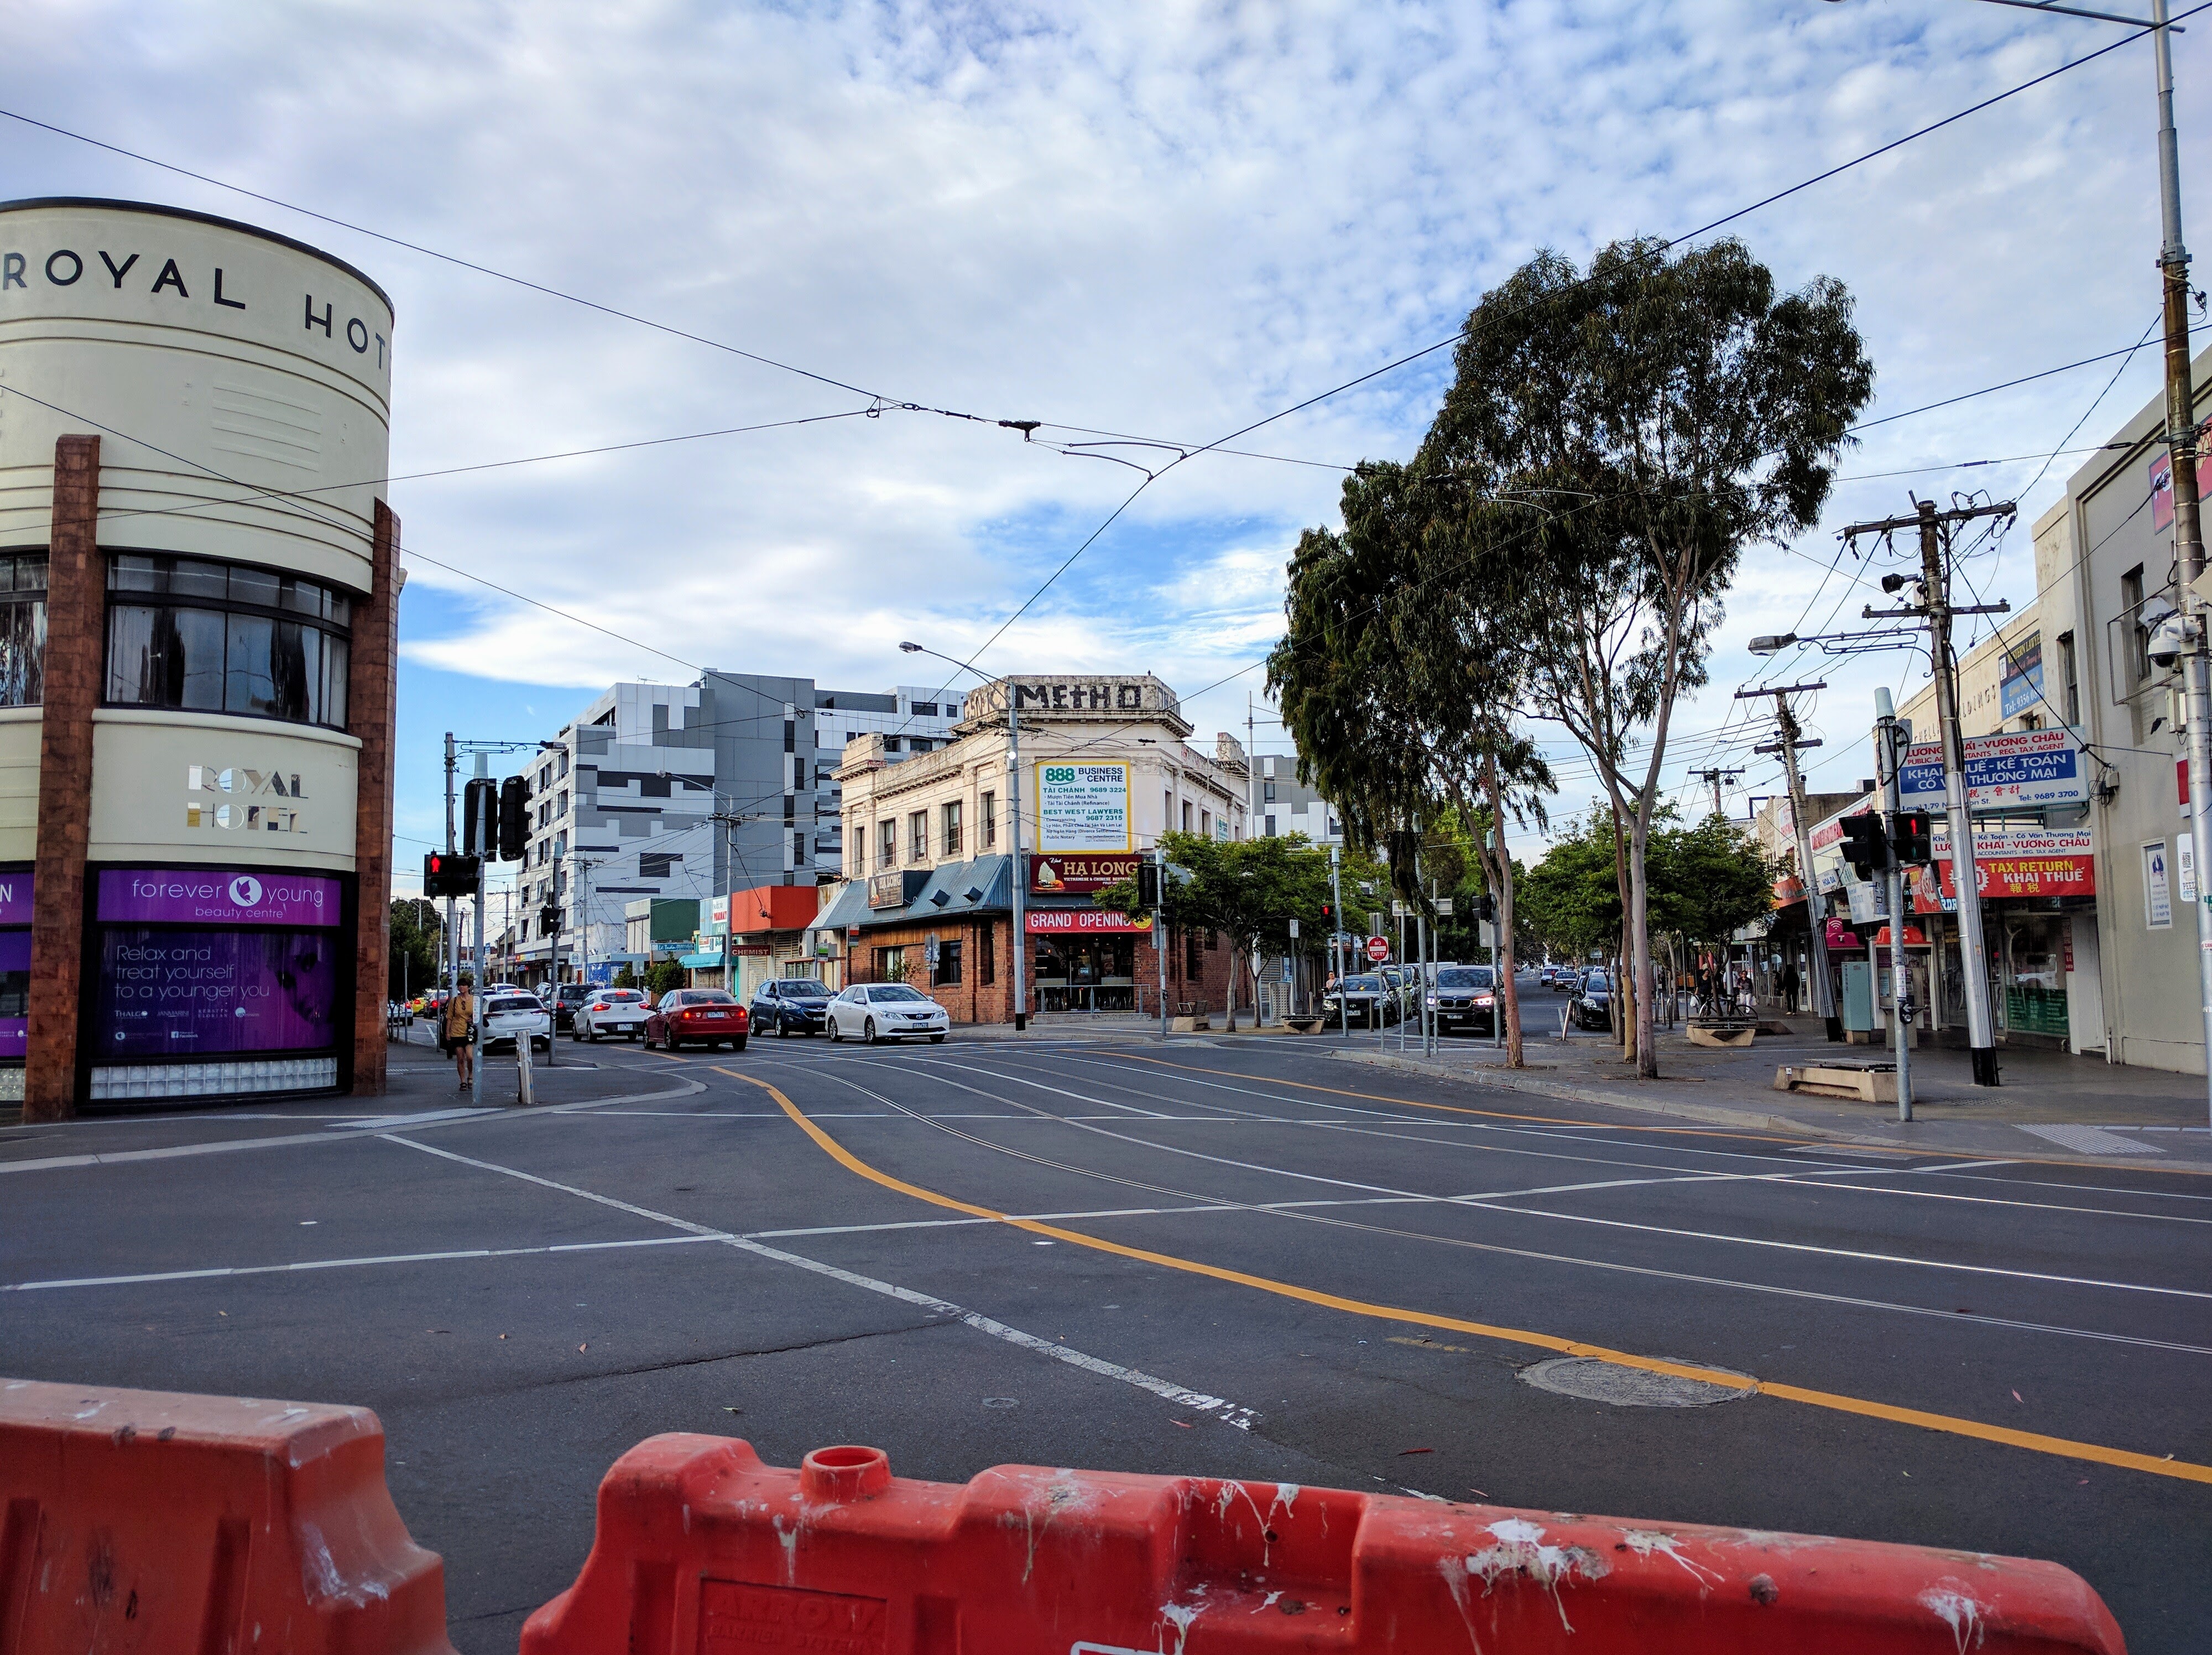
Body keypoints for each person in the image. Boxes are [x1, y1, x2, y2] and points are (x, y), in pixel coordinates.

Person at [445, 976, 476, 1090]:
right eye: (460, 985)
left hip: (469, 1032)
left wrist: (473, 1019)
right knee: (460, 1058)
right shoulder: (454, 1001)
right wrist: (448, 1032)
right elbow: (450, 1018)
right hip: (456, 1032)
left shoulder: (474, 1000)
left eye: (464, 985)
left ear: (468, 987)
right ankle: (463, 1081)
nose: (461, 987)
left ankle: (471, 1076)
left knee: (470, 1057)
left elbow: (478, 1015)